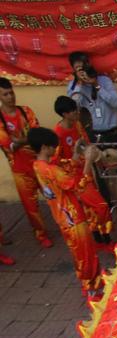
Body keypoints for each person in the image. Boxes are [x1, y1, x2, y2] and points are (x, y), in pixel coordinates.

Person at [27, 127, 103, 299]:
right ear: (45, 147)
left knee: (80, 252)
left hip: (63, 217)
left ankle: (93, 281)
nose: (55, 150)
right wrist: (88, 162)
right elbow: (76, 185)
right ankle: (91, 289)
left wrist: (76, 155)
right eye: (53, 147)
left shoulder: (39, 166)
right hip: (72, 217)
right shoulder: (51, 170)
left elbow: (66, 167)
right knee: (86, 253)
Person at [53, 96, 113, 250]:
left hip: (86, 172)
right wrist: (75, 157)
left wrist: (96, 156)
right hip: (75, 179)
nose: (76, 113)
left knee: (92, 209)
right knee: (101, 206)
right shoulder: (58, 134)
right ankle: (104, 237)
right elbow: (57, 162)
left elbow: (86, 144)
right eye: (73, 111)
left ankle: (101, 239)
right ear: (65, 114)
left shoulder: (77, 125)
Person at [0, 78, 53, 251]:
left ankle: (65, 222)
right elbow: (9, 145)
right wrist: (26, 140)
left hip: (39, 164)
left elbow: (36, 135)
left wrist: (20, 141)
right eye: (5, 94)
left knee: (54, 195)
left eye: (11, 93)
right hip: (20, 170)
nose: (10, 97)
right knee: (31, 206)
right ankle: (41, 234)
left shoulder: (26, 111)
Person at [67, 54, 117, 145]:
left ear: (89, 65)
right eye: (78, 68)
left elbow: (115, 102)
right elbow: (73, 108)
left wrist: (96, 84)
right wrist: (79, 85)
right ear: (73, 70)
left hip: (112, 133)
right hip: (90, 135)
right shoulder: (74, 86)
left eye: (83, 67)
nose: (82, 71)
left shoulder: (104, 81)